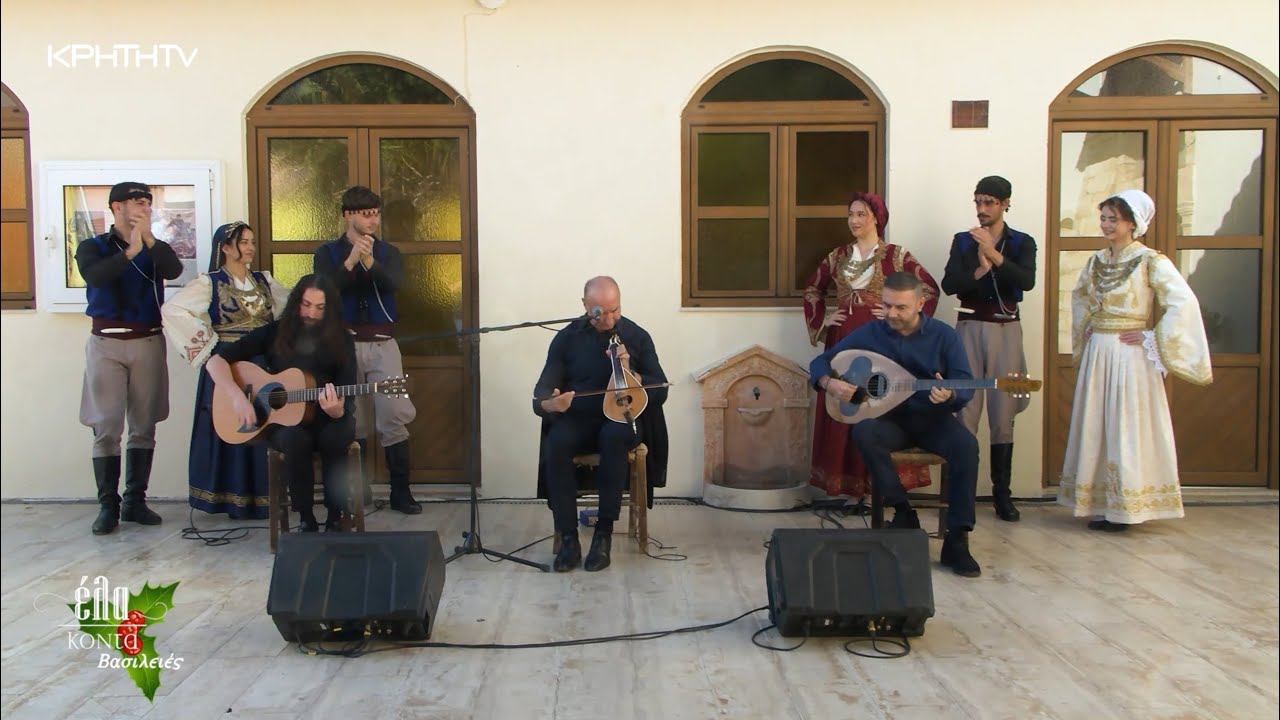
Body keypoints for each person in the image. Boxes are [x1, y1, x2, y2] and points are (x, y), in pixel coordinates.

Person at [810, 271, 982, 577]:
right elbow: (821, 362)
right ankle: (903, 513)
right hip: (891, 421)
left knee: (966, 447)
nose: (891, 313)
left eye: (900, 307)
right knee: (864, 431)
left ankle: (957, 540)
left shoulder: (944, 336)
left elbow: (965, 383)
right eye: (887, 305)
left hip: (932, 419)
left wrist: (951, 394)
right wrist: (829, 383)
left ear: (920, 303)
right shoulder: (871, 333)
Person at [1058, 190, 1212, 532]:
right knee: (1098, 423)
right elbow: (1081, 296)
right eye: (1104, 218)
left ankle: (1127, 505)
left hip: (1130, 353)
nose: (1107, 225)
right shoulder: (1097, 261)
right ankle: (1100, 502)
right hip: (1100, 350)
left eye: (1114, 219)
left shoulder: (1150, 261)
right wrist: (1087, 329)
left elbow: (1183, 302)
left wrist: (1152, 336)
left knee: (1124, 424)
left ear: (1133, 223)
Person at [803, 191, 939, 504]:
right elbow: (812, 289)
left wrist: (901, 317)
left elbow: (929, 289)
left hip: (883, 341)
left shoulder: (897, 256)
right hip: (845, 339)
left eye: (861, 214)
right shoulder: (838, 256)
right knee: (848, 401)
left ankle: (879, 488)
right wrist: (825, 319)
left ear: (876, 217)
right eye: (851, 214)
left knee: (877, 405)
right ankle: (851, 491)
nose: (854, 220)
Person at [533, 276, 669, 573]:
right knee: (556, 442)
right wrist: (550, 403)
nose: (609, 319)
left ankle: (603, 534)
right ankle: (568, 538)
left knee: (614, 437)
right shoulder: (566, 338)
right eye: (600, 312)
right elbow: (542, 391)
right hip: (580, 418)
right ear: (585, 306)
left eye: (615, 310)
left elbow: (661, 389)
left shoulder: (637, 336)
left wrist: (631, 373)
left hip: (622, 419)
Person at [204, 275, 358, 532]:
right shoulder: (274, 332)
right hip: (283, 420)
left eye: (320, 308)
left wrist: (338, 409)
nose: (310, 313)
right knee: (294, 439)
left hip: (328, 415)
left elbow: (348, 392)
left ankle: (336, 513)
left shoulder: (342, 340)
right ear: (297, 302)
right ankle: (305, 517)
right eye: (306, 304)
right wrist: (237, 396)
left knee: (335, 436)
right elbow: (214, 362)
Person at [161, 222, 291, 518]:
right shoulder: (210, 282)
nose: (250, 248)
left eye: (252, 241)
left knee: (263, 424)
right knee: (230, 425)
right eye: (243, 242)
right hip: (227, 365)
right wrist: (208, 347)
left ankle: (263, 500)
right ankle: (227, 499)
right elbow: (173, 310)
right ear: (226, 248)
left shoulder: (265, 281)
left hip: (261, 363)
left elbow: (289, 310)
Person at [76, 181, 184, 535]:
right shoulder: (93, 247)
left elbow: (173, 270)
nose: (144, 208)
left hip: (147, 340)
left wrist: (147, 242)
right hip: (107, 342)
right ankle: (108, 505)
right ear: (116, 207)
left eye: (148, 203)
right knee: (106, 425)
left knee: (144, 423)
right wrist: (128, 252)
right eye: (137, 202)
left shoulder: (155, 246)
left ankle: (136, 500)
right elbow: (95, 276)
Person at [313, 186, 421, 515]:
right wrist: (350, 261)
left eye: (375, 213)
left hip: (383, 342)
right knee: (352, 419)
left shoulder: (389, 252)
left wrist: (370, 261)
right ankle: (359, 491)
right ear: (348, 214)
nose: (372, 219)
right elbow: (324, 290)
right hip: (343, 343)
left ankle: (401, 492)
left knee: (394, 415)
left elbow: (395, 285)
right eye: (364, 213)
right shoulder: (327, 252)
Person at [941, 176, 1037, 522]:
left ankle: (1002, 496)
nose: (982, 209)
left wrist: (994, 255)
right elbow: (949, 284)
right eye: (978, 202)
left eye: (990, 203)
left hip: (1006, 328)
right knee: (965, 409)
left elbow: (1026, 281)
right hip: (968, 328)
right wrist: (980, 269)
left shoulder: (1022, 242)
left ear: (1005, 203)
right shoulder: (963, 242)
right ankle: (960, 493)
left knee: (1004, 410)